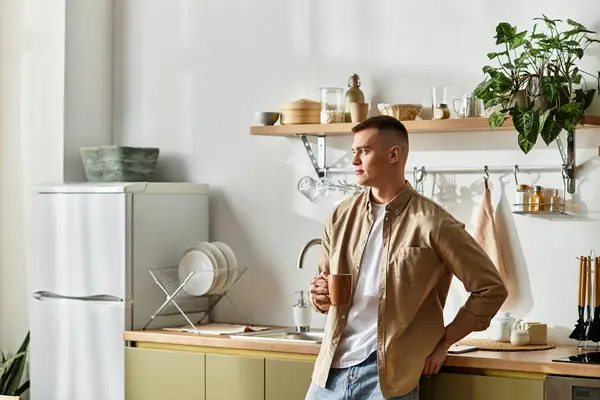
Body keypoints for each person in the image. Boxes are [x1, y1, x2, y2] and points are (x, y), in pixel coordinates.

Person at [305, 115, 508, 400]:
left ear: (393, 154)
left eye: (363, 151)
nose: (354, 161)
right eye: (354, 152)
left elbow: (490, 289)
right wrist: (319, 295)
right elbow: (324, 294)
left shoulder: (433, 222)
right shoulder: (340, 217)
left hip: (389, 380)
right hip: (329, 373)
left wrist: (444, 342)